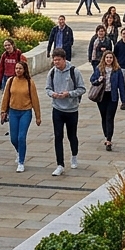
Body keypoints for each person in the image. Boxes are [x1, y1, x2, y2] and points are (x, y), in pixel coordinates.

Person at [46, 48, 86, 176]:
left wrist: (69, 94)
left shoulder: (74, 71)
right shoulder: (52, 72)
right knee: (58, 136)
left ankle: (74, 155)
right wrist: (53, 94)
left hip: (71, 109)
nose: (56, 62)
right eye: (54, 59)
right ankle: (60, 164)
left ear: (64, 59)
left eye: (58, 60)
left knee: (71, 135)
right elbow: (47, 88)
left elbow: (82, 89)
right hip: (57, 108)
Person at [0, 59, 41, 172]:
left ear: (24, 70)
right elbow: (5, 97)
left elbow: (35, 100)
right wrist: (3, 111)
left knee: (21, 137)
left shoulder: (29, 82)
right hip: (13, 112)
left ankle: (21, 161)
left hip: (25, 112)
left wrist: (38, 116)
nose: (18, 70)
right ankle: (19, 151)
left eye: (20, 68)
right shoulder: (11, 80)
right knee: (14, 138)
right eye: (16, 68)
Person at [90, 50, 125, 151]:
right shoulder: (99, 69)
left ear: (113, 59)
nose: (109, 59)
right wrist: (99, 80)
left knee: (110, 117)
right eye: (107, 58)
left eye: (110, 58)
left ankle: (109, 140)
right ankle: (106, 135)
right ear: (104, 59)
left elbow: (121, 85)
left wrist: (124, 100)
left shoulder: (117, 70)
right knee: (104, 117)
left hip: (112, 96)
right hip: (101, 96)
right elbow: (92, 80)